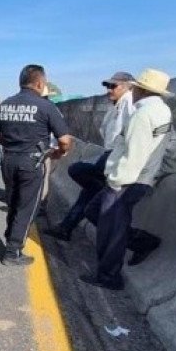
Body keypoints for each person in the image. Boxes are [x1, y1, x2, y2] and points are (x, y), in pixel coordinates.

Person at [79, 68, 174, 290]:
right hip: (139, 180)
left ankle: (109, 277)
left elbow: (134, 154)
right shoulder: (161, 111)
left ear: (140, 89)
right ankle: (140, 242)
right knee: (100, 216)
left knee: (110, 231)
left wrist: (116, 182)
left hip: (125, 181)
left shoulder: (142, 115)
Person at [0, 64, 73, 266]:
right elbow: (65, 140)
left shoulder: (5, 105)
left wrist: (11, 145)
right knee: (27, 207)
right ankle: (12, 251)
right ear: (39, 83)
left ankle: (11, 235)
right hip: (32, 162)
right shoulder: (46, 107)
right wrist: (58, 153)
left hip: (8, 161)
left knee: (13, 201)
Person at [46, 72, 135, 240]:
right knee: (88, 190)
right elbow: (106, 131)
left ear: (127, 86)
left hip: (117, 159)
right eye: (108, 86)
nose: (109, 90)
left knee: (78, 172)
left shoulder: (130, 104)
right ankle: (66, 228)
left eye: (113, 86)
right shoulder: (117, 105)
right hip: (109, 156)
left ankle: (139, 240)